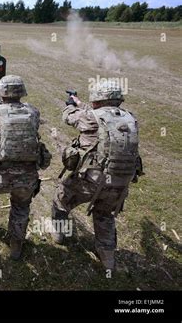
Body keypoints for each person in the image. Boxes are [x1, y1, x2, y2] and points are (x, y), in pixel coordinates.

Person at [51, 81, 143, 271]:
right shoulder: (130, 118)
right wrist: (78, 101)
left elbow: (69, 117)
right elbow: (102, 115)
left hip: (89, 182)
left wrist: (70, 105)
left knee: (60, 199)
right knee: (105, 215)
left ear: (97, 100)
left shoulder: (89, 117)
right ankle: (107, 256)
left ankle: (59, 235)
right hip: (119, 185)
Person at [0, 75, 51, 260]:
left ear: (1, 93)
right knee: (21, 207)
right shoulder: (33, 112)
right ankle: (16, 245)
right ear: (22, 92)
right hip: (27, 177)